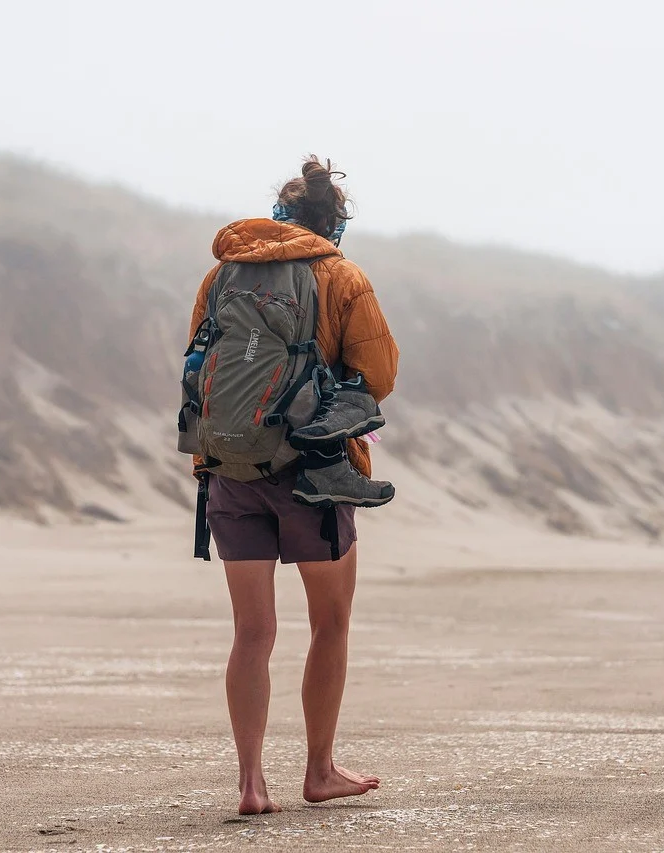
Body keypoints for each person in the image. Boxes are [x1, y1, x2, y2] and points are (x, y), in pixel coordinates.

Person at [186, 156, 399, 814]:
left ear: (277, 216)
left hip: (230, 470)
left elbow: (198, 362)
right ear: (333, 222)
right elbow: (380, 372)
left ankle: (251, 782)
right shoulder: (342, 275)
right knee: (329, 622)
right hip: (314, 474)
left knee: (253, 630)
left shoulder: (223, 273)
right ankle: (320, 768)